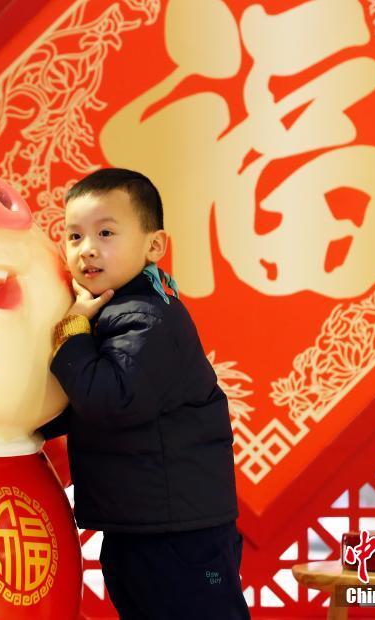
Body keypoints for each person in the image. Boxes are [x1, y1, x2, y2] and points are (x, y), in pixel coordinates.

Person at [40, 168, 250, 619]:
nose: (87, 249)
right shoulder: (116, 312)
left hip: (178, 534)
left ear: (154, 246)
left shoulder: (145, 318)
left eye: (106, 233)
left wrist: (71, 331)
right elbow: (75, 402)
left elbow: (106, 401)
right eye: (74, 236)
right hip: (144, 525)